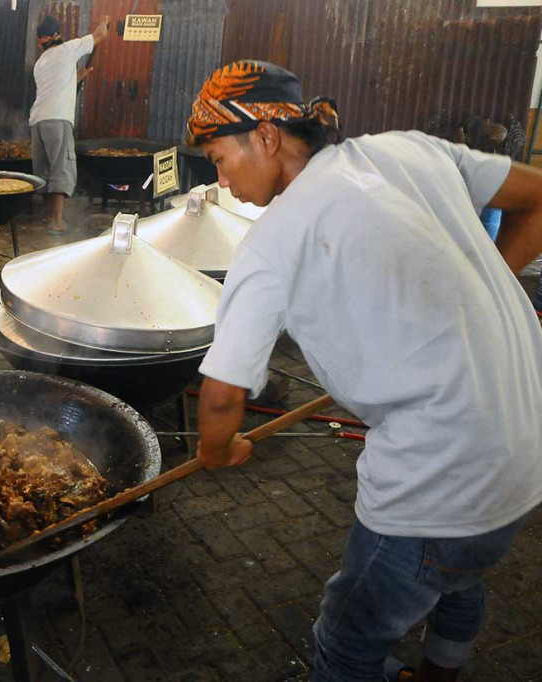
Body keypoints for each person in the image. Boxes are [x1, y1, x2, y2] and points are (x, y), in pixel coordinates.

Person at [186, 60, 542, 682]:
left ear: (266, 136)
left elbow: (219, 399)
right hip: (524, 452)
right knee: (459, 581)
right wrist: (480, 295)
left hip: (436, 481)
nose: (222, 181)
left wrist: (219, 452)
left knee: (347, 637)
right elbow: (539, 195)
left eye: (218, 159)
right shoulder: (410, 150)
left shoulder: (273, 243)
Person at [29, 14, 109, 235]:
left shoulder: (40, 63)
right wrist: (105, 20)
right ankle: (57, 221)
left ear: (40, 40)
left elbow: (58, 86)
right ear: (57, 35)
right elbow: (100, 35)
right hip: (57, 119)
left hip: (38, 120)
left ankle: (48, 216)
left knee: (45, 170)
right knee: (61, 168)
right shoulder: (68, 49)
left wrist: (80, 75)